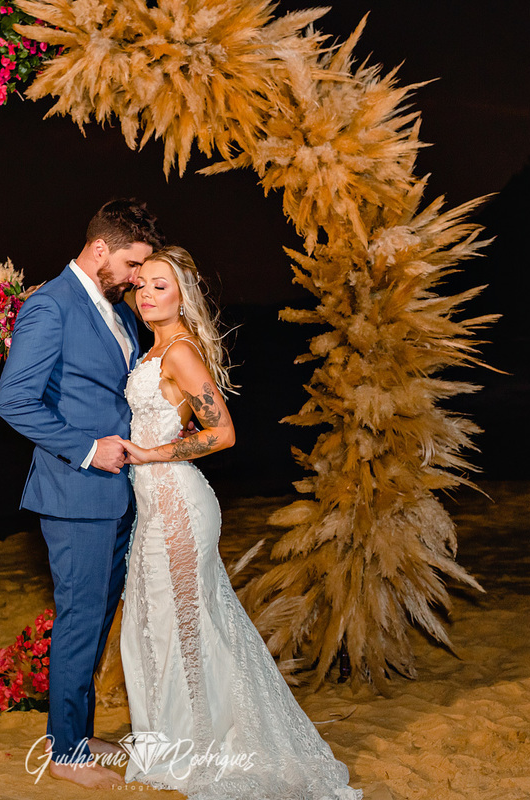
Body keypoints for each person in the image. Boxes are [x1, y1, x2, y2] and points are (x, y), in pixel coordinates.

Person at [116, 246, 362, 799]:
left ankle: (199, 749)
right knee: (159, 625)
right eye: (143, 286)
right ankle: (168, 744)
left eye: (161, 286)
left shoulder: (179, 351)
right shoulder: (156, 348)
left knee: (185, 626)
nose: (148, 295)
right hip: (156, 506)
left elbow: (222, 432)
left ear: (182, 294)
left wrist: (153, 454)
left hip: (178, 504)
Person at [0, 199, 164, 789]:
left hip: (118, 495)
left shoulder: (115, 309)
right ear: (99, 252)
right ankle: (64, 753)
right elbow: (12, 400)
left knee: (96, 621)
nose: (137, 274)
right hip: (74, 494)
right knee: (78, 620)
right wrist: (90, 449)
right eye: (132, 262)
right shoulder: (51, 306)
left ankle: (79, 730)